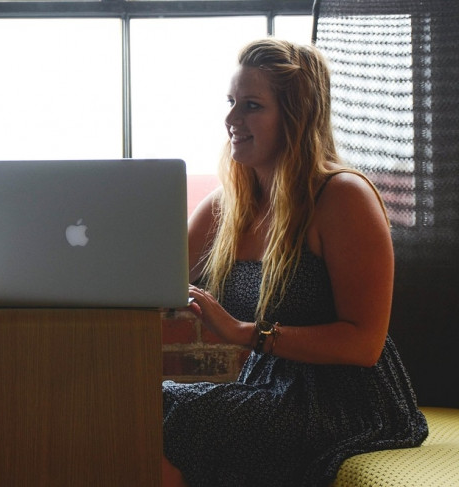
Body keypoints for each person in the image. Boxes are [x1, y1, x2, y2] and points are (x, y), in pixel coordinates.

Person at [161, 38, 428, 487]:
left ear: (295, 116)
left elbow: (364, 344)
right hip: (266, 390)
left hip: (347, 404)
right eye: (231, 102)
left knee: (173, 422)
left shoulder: (342, 197)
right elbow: (151, 281)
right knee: (143, 406)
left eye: (251, 106)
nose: (231, 119)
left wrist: (246, 332)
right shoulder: (228, 207)